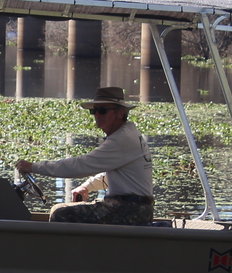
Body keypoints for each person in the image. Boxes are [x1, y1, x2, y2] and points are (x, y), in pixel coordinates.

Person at [13, 87, 154, 225]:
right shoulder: (128, 134)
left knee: (61, 214)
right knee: (58, 208)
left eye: (103, 111)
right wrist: (87, 187)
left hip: (130, 210)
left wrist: (33, 167)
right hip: (133, 208)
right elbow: (113, 174)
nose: (97, 115)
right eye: (94, 111)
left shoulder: (121, 139)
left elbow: (80, 165)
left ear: (120, 113)